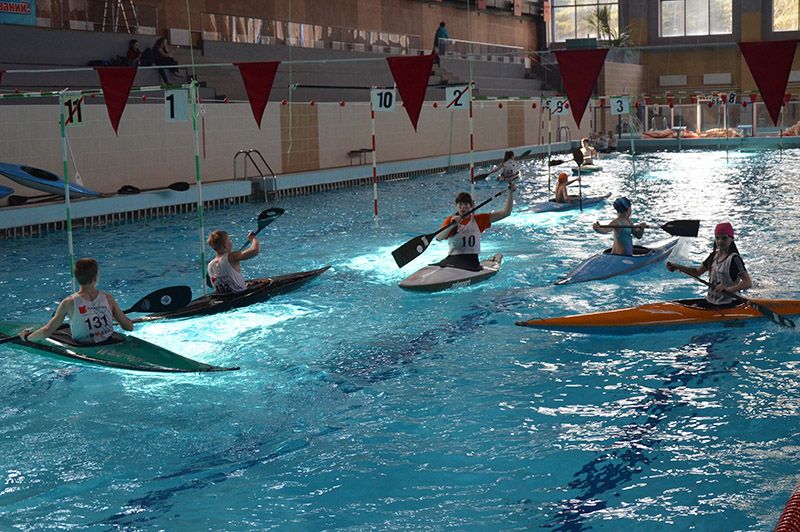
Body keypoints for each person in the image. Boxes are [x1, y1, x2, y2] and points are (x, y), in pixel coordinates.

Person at [19, 258, 133, 344]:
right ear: (96, 277)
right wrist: (114, 316)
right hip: (108, 341)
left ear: (76, 278)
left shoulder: (68, 302)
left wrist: (27, 337)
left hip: (83, 344)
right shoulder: (108, 298)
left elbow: (46, 332)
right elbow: (129, 327)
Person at [666, 222, 752, 308]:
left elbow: (747, 282)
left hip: (728, 303)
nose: (720, 241)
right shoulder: (713, 256)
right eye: (717, 238)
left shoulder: (734, 259)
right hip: (711, 301)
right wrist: (677, 267)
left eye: (724, 238)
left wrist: (728, 289)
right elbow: (697, 272)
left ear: (732, 239)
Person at [435, 182, 516, 271]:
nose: (463, 207)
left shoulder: (478, 220)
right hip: (452, 259)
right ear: (456, 206)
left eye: (466, 204)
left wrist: (511, 193)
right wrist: (452, 225)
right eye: (460, 204)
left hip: (472, 261)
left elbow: (506, 213)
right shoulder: (450, 220)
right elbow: (439, 238)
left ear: (471, 206)